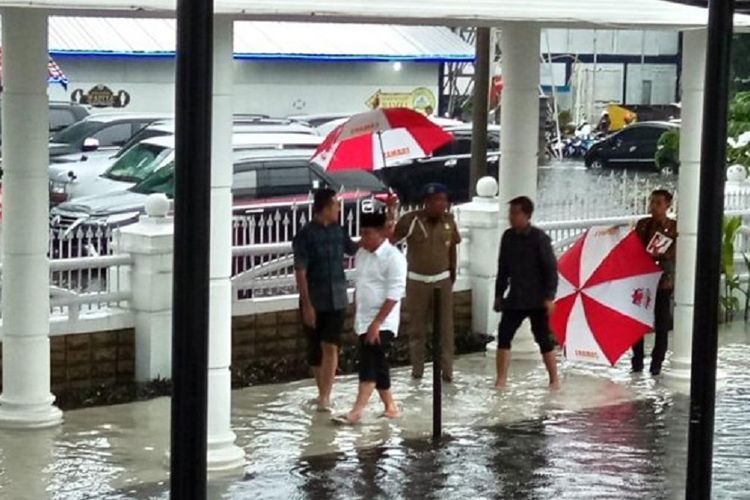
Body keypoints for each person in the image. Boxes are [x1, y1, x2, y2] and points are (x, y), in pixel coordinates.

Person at [293, 188, 359, 411]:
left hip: (337, 297)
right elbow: (300, 270)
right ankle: (322, 392)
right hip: (315, 297)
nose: (339, 209)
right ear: (325, 208)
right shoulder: (305, 235)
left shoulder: (339, 231)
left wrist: (382, 226)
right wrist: (307, 304)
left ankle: (325, 396)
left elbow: (354, 249)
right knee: (315, 350)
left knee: (331, 345)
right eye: (336, 205)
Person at [340, 211, 407, 424]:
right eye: (361, 233)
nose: (363, 238)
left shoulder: (394, 258)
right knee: (378, 363)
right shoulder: (362, 254)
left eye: (367, 234)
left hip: (383, 321)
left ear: (381, 234)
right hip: (363, 319)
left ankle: (357, 411)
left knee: (368, 362)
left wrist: (377, 323)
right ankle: (390, 407)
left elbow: (395, 294)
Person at [391, 182, 461, 382]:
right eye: (435, 201)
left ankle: (447, 373)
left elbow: (452, 250)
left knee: (446, 330)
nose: (440, 205)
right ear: (426, 202)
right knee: (417, 330)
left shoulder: (449, 221)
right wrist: (390, 211)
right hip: (417, 282)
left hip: (442, 281)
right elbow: (391, 239)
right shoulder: (411, 220)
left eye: (443, 201)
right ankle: (417, 371)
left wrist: (451, 275)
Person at [494, 196, 561, 390]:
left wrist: (549, 297)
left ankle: (554, 379)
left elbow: (551, 270)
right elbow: (503, 268)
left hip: (537, 298)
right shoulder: (508, 237)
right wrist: (499, 294)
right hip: (515, 297)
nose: (511, 217)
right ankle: (501, 379)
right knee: (504, 335)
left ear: (527, 215)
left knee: (543, 338)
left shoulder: (539, 239)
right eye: (510, 213)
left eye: (516, 213)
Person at [631, 189, 677, 376]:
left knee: (661, 321)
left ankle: (657, 361)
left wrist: (659, 255)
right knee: (637, 321)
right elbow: (634, 248)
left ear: (668, 205)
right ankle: (637, 360)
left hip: (662, 281)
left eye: (658, 203)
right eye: (652, 202)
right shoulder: (643, 225)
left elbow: (673, 253)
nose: (654, 207)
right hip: (642, 279)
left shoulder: (673, 227)